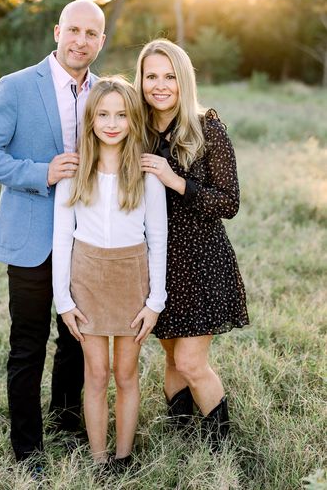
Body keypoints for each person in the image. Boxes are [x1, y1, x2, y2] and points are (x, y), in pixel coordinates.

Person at [0, 0, 106, 465]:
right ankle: (27, 449)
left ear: (101, 42)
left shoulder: (108, 93)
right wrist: (40, 171)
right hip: (32, 235)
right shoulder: (17, 86)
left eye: (91, 34)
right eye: (74, 31)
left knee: (77, 339)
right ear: (57, 31)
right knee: (28, 344)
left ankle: (67, 420)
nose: (81, 41)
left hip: (89, 237)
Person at [135, 39, 249, 450]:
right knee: (170, 358)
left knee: (190, 361)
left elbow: (229, 201)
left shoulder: (207, 128)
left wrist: (175, 180)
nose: (160, 85)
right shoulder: (138, 129)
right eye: (151, 76)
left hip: (201, 260)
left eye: (169, 76)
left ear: (183, 81)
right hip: (158, 263)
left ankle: (222, 448)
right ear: (141, 80)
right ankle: (184, 440)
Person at [52, 77, 168, 470]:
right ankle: (99, 458)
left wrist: (155, 302)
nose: (112, 123)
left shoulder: (146, 174)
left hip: (131, 280)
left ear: (134, 120)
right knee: (97, 373)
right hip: (86, 280)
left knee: (126, 372)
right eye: (103, 114)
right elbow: (62, 238)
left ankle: (123, 456)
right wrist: (63, 301)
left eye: (121, 115)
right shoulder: (75, 171)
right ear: (91, 120)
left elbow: (158, 238)